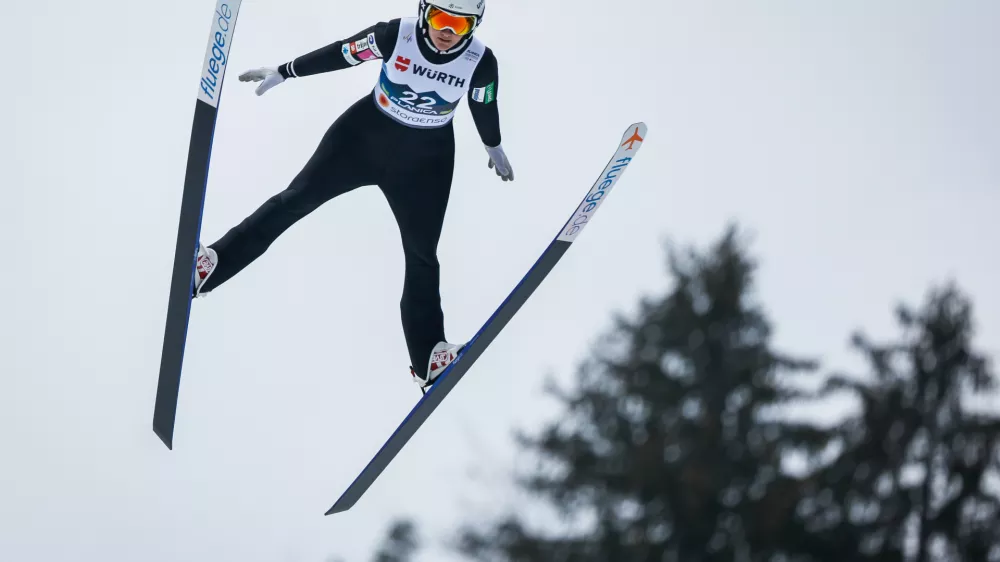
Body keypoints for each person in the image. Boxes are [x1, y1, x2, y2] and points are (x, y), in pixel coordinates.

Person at [191, 0, 513, 393]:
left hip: (425, 163)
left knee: (423, 255)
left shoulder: (481, 61)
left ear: (474, 27)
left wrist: (492, 144)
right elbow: (343, 52)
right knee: (295, 200)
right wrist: (286, 71)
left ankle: (428, 358)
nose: (448, 31)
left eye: (460, 25)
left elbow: (485, 102)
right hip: (362, 139)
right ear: (425, 12)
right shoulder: (397, 34)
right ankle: (212, 266)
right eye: (442, 18)